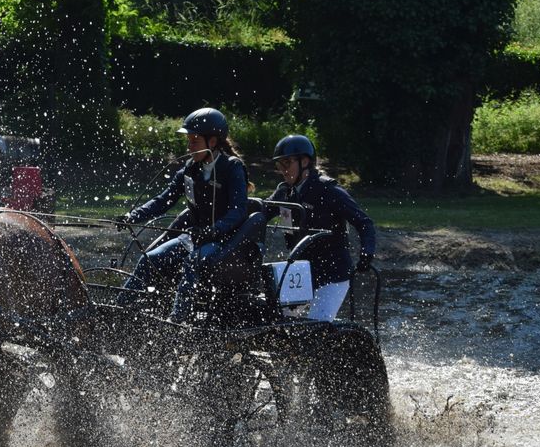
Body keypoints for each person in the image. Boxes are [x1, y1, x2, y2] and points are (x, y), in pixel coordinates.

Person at [115, 107, 251, 322]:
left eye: (194, 141)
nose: (189, 147)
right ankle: (118, 310)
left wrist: (213, 230)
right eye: (189, 141)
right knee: (149, 259)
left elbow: (239, 211)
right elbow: (163, 201)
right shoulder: (190, 169)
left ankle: (177, 320)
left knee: (193, 262)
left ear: (213, 142)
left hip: (226, 242)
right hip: (195, 238)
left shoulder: (232, 168)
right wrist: (133, 215)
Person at [267, 134, 376, 321]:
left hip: (333, 273)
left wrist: (367, 251)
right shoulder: (284, 192)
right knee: (277, 320)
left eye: (287, 164)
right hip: (300, 271)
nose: (283, 171)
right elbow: (260, 213)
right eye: (280, 166)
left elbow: (364, 222)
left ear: (305, 162)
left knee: (318, 325)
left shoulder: (329, 191)